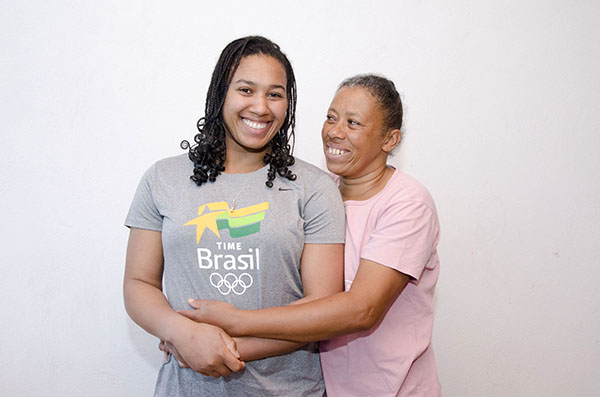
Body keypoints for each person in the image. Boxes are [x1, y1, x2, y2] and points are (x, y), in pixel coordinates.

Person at [180, 74, 442, 396]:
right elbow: (297, 302)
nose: (335, 131)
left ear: (389, 140)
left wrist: (236, 324)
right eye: (331, 117)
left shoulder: (407, 204)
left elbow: (361, 310)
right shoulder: (318, 196)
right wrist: (193, 341)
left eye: (353, 123)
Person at [123, 36, 345, 396]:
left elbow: (322, 311)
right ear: (220, 94)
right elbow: (138, 283)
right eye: (246, 89)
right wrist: (181, 333)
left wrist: (214, 349)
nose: (260, 107)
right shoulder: (162, 178)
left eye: (275, 94)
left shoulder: (315, 188)